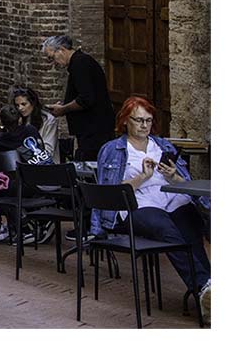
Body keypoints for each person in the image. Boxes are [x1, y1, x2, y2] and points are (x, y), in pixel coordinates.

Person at [90, 95, 210, 320]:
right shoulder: (113, 149)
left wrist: (174, 176)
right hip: (136, 204)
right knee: (166, 228)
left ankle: (208, 289)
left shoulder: (162, 145)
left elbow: (186, 184)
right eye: (138, 120)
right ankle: (204, 287)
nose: (144, 125)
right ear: (125, 120)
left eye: (148, 120)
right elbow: (110, 193)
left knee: (192, 222)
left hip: (170, 199)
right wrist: (143, 177)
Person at [42, 35, 115, 161]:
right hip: (92, 129)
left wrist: (63, 109)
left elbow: (86, 99)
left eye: (52, 58)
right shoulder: (79, 63)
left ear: (62, 50)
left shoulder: (80, 64)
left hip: (94, 130)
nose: (54, 63)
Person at [11, 86, 61, 162]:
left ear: (33, 103)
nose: (20, 108)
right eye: (17, 105)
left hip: (45, 163)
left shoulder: (48, 121)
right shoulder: (19, 120)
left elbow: (48, 150)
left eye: (24, 104)